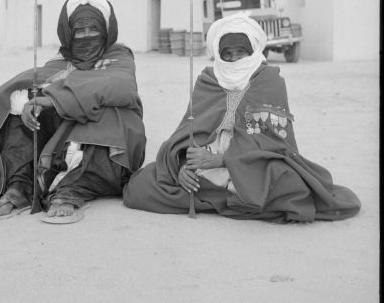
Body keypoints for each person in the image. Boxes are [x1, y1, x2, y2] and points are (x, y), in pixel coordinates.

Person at [123, 12, 361, 223]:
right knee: (140, 186)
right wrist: (183, 166)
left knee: (289, 183)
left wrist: (223, 161)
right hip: (205, 163)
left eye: (241, 52)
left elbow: (274, 144)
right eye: (228, 53)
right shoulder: (208, 79)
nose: (235, 58)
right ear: (218, 54)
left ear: (253, 51)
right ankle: (221, 194)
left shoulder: (269, 79)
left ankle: (224, 195)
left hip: (253, 165)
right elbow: (187, 132)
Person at [0, 0, 146, 223]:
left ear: (105, 31)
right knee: (19, 108)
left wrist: (55, 99)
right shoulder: (61, 60)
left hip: (106, 142)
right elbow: (40, 84)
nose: (87, 36)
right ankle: (21, 184)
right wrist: (30, 103)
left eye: (93, 30)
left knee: (111, 113)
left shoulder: (118, 56)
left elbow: (120, 86)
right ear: (69, 34)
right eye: (79, 31)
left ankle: (74, 190)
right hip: (62, 132)